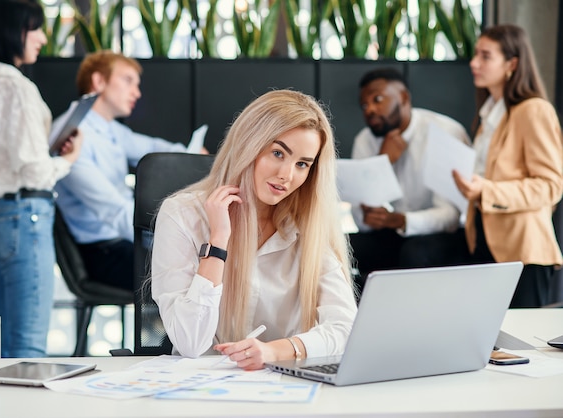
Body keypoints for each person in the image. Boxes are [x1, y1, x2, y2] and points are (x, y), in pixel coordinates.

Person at [151, 90, 357, 370]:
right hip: (202, 387)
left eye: (302, 164)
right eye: (277, 153)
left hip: (282, 383)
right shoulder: (182, 215)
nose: (287, 175)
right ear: (248, 144)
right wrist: (218, 242)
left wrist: (276, 351)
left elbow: (347, 329)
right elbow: (190, 343)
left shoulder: (307, 225)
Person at [0, 0, 82, 358]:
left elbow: (2, 155)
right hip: (25, 216)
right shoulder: (17, 87)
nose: (43, 38)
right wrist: (68, 160)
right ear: (12, 31)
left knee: (2, 346)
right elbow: (33, 170)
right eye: (35, 29)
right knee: (28, 348)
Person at [53, 51, 205, 291]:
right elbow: (115, 213)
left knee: (202, 263)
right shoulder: (72, 136)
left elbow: (153, 147)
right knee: (193, 272)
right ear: (99, 81)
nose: (137, 92)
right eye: (128, 81)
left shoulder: (109, 128)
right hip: (104, 252)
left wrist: (193, 154)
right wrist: (168, 237)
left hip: (123, 241)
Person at [452, 24, 563, 308]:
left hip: (522, 249)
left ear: (512, 63)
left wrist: (486, 191)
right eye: (475, 54)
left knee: (520, 348)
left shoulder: (533, 110)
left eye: (486, 56)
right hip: (484, 240)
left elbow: (551, 186)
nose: (474, 63)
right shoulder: (490, 113)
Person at [349, 68, 471, 284]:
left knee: (414, 251)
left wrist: (402, 220)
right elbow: (362, 221)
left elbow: (451, 216)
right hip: (393, 231)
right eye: (364, 105)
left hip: (441, 235)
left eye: (378, 99)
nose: (370, 110)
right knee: (342, 246)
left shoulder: (444, 132)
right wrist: (382, 163)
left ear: (404, 97)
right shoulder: (365, 140)